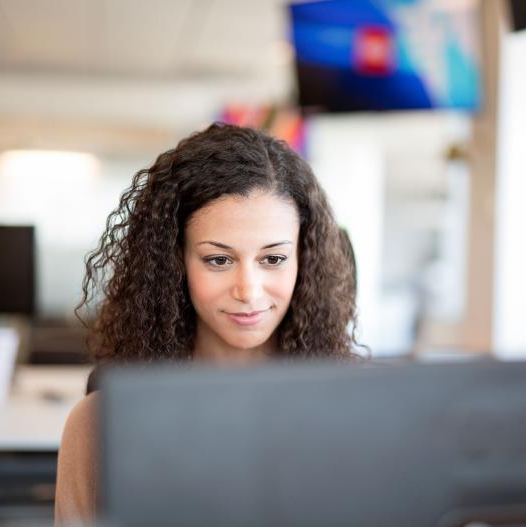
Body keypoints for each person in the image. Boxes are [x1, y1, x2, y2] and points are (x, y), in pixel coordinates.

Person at [55, 123, 362, 524]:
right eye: (218, 259)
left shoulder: (356, 413)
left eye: (273, 259)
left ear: (303, 260)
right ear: (174, 264)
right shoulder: (98, 423)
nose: (249, 291)